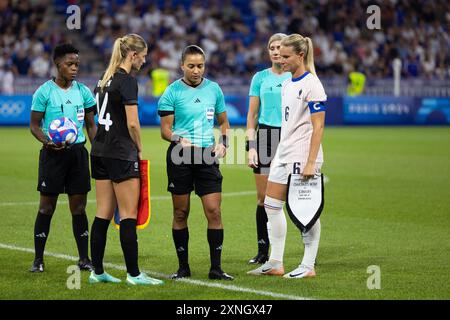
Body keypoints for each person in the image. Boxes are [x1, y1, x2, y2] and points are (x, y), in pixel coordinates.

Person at [248, 34, 327, 278]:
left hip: (303, 155)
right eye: (279, 56)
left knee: (304, 209)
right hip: (284, 151)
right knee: (271, 204)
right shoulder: (289, 83)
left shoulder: (312, 84)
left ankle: (308, 265)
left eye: (285, 56)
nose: (280, 60)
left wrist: (312, 162)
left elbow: (319, 127)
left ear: (300, 56)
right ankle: (275, 262)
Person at [89, 34, 163, 286]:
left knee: (102, 213)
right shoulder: (128, 81)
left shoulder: (103, 79)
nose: (145, 60)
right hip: (121, 153)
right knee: (128, 215)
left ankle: (96, 271)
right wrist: (139, 148)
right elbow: (132, 122)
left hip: (99, 151)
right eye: (143, 55)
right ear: (133, 55)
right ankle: (134, 274)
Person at [158, 45, 233, 281]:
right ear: (182, 66)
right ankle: (183, 268)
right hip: (179, 156)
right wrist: (180, 138)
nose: (196, 70)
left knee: (214, 211)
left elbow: (224, 123)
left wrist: (224, 143)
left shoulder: (214, 89)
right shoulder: (171, 92)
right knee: (181, 212)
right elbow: (165, 131)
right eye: (191, 66)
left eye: (200, 65)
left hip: (206, 156)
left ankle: (216, 268)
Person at [29, 43, 97, 272]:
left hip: (77, 154)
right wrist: (47, 141)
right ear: (57, 64)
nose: (74, 68)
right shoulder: (44, 92)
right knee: (46, 208)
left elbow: (91, 125)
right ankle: (38, 259)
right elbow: (34, 125)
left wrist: (96, 150)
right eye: (69, 64)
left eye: (77, 64)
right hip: (52, 155)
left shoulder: (84, 91)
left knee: (78, 208)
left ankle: (84, 258)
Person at [246, 33, 291, 265]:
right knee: (263, 198)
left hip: (290, 137)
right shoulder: (260, 78)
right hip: (265, 136)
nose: (275, 51)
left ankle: (305, 249)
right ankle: (263, 250)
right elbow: (252, 115)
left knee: (293, 197)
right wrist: (250, 147)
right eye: (272, 47)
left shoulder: (296, 76)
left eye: (279, 47)